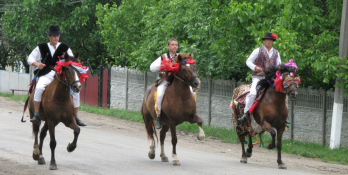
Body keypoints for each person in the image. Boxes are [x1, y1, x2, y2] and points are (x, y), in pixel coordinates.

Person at [27, 24, 86, 126]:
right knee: (40, 87)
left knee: (76, 90)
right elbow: (30, 58)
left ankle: (75, 116)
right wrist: (37, 64)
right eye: (54, 35)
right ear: (49, 36)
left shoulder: (64, 47)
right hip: (46, 73)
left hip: (61, 74)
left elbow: (72, 60)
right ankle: (36, 114)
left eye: (57, 35)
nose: (56, 38)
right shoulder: (41, 47)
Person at [238, 32, 290, 125]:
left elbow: (279, 64)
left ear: (272, 41)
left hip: (271, 79)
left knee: (284, 93)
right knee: (253, 92)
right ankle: (246, 114)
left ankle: (285, 116)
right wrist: (255, 68)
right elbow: (248, 61)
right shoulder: (258, 50)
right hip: (258, 78)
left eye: (270, 40)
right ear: (264, 41)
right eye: (267, 40)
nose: (268, 42)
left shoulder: (276, 52)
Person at [150, 38, 196, 129]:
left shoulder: (180, 57)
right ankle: (158, 117)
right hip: (166, 80)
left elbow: (187, 65)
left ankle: (191, 112)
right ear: (168, 46)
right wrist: (162, 67)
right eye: (172, 44)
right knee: (159, 95)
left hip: (178, 80)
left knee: (192, 91)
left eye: (176, 45)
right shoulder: (163, 57)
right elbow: (151, 67)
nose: (175, 46)